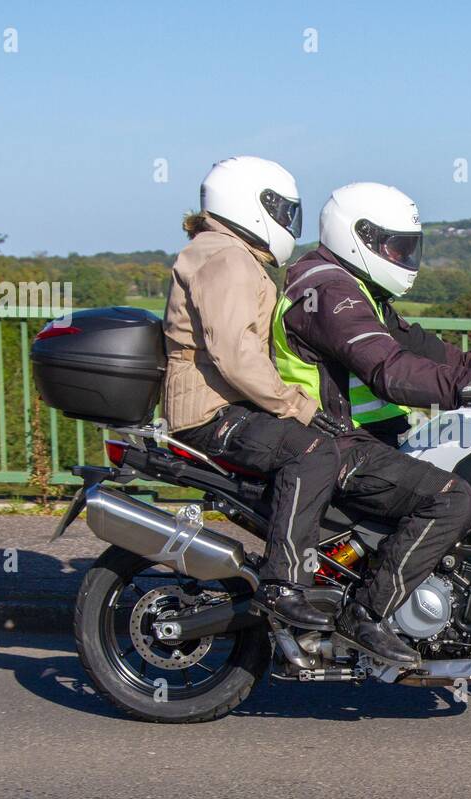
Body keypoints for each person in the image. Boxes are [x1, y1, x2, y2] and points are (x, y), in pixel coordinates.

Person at [271, 182, 471, 665]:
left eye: (407, 247)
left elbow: (419, 346)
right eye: (394, 246)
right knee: (450, 499)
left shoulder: (351, 287)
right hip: (334, 444)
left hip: (358, 438)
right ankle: (367, 615)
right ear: (360, 237)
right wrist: (468, 391)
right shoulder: (329, 291)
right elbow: (389, 369)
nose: (403, 257)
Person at [163, 155, 347, 633]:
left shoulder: (224, 252)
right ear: (249, 203)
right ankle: (283, 585)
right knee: (312, 450)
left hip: (219, 404)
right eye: (281, 209)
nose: (288, 221)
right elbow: (235, 354)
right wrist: (297, 405)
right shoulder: (226, 258)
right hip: (210, 411)